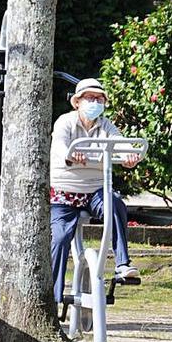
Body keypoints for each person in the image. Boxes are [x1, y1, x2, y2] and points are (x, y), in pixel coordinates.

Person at [49, 78, 141, 307]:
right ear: (77, 102)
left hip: (94, 191)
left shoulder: (105, 126)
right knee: (60, 238)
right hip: (65, 191)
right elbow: (60, 145)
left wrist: (130, 157)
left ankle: (122, 264)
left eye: (99, 99)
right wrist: (71, 154)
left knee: (115, 204)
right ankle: (52, 297)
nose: (95, 103)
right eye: (90, 98)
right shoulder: (66, 122)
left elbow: (121, 143)